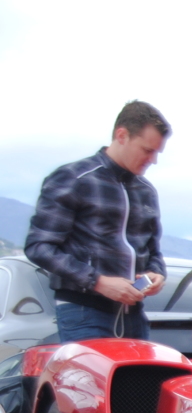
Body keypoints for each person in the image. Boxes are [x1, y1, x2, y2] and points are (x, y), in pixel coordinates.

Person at [25, 101, 169, 342]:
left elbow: (153, 251)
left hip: (134, 315)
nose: (152, 160)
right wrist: (98, 282)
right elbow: (39, 247)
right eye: (147, 150)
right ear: (121, 135)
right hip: (83, 312)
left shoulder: (146, 191)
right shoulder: (73, 179)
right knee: (90, 381)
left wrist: (157, 274)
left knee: (137, 381)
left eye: (157, 152)